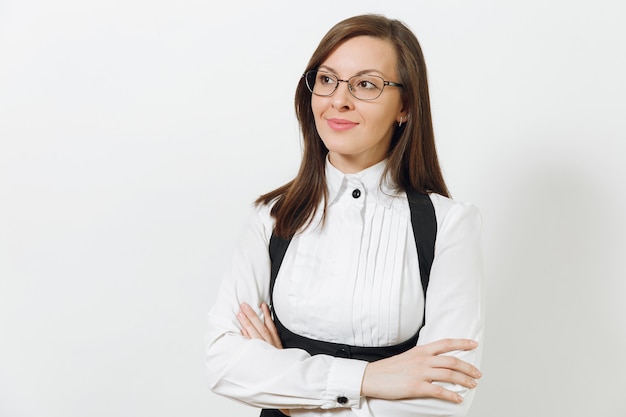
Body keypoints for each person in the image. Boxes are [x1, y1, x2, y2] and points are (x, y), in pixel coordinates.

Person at [205, 13, 484, 417]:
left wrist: (286, 394)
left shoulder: (450, 225)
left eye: (366, 84)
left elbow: (446, 395)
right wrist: (369, 380)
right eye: (326, 80)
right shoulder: (272, 218)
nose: (339, 99)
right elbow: (223, 362)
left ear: (404, 106)